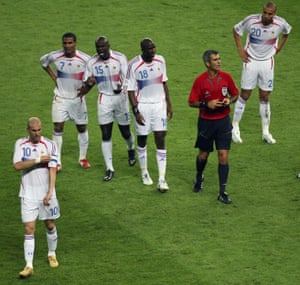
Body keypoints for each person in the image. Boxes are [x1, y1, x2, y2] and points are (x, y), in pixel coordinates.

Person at [231, 1, 292, 144]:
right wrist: (240, 51)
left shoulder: (280, 23)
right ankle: (234, 127)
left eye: (269, 14)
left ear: (274, 14)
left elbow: (287, 32)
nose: (266, 15)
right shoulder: (251, 20)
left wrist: (278, 48)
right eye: (264, 12)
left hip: (267, 63)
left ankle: (265, 131)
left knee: (265, 96)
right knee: (245, 94)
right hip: (250, 61)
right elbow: (236, 30)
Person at [79, 36, 135, 181]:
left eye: (103, 47)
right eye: (98, 48)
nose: (100, 50)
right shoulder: (91, 62)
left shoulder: (120, 58)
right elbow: (87, 81)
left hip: (120, 99)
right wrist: (89, 83)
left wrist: (121, 87)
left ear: (108, 46)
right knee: (105, 133)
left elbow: (128, 78)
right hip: (104, 99)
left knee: (126, 132)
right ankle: (109, 168)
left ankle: (131, 148)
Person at [188, 50, 239, 204]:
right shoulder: (200, 81)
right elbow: (191, 101)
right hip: (206, 123)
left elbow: (236, 94)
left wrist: (229, 100)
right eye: (215, 60)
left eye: (219, 59)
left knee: (223, 155)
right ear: (207, 63)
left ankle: (222, 192)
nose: (219, 62)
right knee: (203, 155)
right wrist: (206, 104)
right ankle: (199, 176)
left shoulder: (226, 77)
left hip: (223, 121)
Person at [13, 117, 60, 278]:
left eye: (39, 130)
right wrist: (38, 160)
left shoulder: (50, 144)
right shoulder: (20, 144)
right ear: (28, 130)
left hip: (46, 193)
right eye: (34, 130)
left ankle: (52, 253)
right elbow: (17, 165)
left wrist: (49, 192)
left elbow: (54, 169)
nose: (37, 133)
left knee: (49, 224)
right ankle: (28, 266)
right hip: (27, 194)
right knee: (29, 228)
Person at [125, 38, 173, 193]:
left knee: (160, 137)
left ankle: (161, 178)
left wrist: (169, 104)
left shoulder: (160, 60)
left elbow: (164, 83)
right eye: (149, 49)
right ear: (142, 49)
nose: (153, 51)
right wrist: (136, 111)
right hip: (143, 106)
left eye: (154, 48)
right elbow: (130, 90)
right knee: (142, 139)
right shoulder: (133, 65)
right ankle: (144, 172)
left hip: (159, 105)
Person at [40, 32, 91, 171]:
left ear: (75, 43)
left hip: (77, 100)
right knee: (58, 128)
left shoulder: (85, 59)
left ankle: (82, 158)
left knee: (82, 128)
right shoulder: (55, 56)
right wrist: (54, 78)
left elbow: (93, 75)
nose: (67, 46)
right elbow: (43, 62)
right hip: (60, 98)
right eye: (65, 43)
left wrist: (87, 88)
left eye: (70, 43)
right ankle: (57, 161)